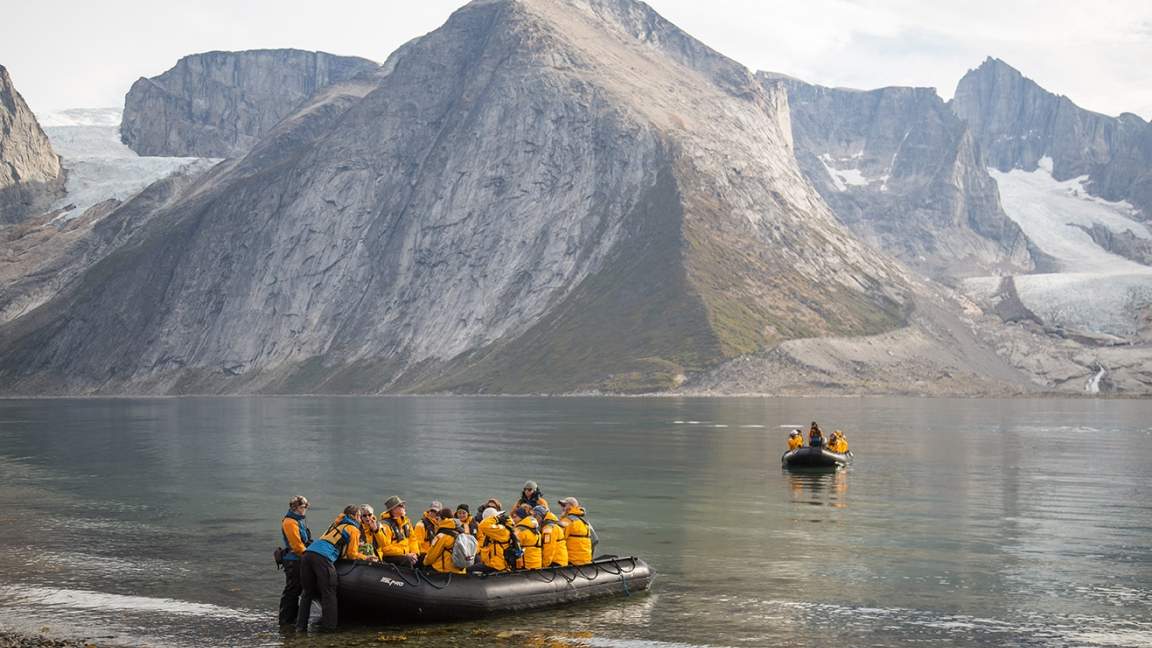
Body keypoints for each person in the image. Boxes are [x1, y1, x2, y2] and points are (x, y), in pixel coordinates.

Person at [296, 505, 377, 632]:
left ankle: (300, 627)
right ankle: (329, 628)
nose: (361, 519)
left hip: (307, 554)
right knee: (329, 592)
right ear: (355, 516)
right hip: (323, 557)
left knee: (307, 593)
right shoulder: (354, 530)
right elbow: (352, 554)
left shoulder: (335, 524)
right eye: (360, 516)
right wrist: (366, 558)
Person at [278, 495, 312, 626]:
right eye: (304, 507)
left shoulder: (299, 520)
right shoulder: (289, 522)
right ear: (296, 508)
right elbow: (296, 545)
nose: (306, 509)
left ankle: (293, 618)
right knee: (292, 590)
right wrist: (309, 556)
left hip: (299, 559)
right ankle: (285, 620)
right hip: (293, 561)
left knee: (297, 589)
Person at [376, 495, 419, 566]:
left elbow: (413, 539)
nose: (404, 507)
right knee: (408, 560)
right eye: (401, 505)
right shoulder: (385, 525)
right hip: (392, 556)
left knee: (421, 558)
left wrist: (415, 553)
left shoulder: (406, 521)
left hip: (407, 553)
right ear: (394, 509)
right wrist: (405, 553)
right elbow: (385, 548)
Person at [424, 508, 467, 574]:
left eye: (438, 519)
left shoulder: (442, 536)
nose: (437, 521)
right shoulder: (462, 532)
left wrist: (424, 562)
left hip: (444, 570)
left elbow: (432, 556)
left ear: (443, 518)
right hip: (461, 570)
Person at [558, 497, 593, 566]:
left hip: (572, 561)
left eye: (564, 505)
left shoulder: (568, 521)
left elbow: (559, 539)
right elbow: (595, 540)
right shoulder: (585, 522)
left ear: (571, 506)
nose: (562, 508)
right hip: (586, 560)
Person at [475, 508, 512, 572]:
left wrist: (495, 518)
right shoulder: (495, 530)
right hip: (491, 563)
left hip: (497, 565)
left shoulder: (501, 530)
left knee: (468, 570)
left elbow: (483, 525)